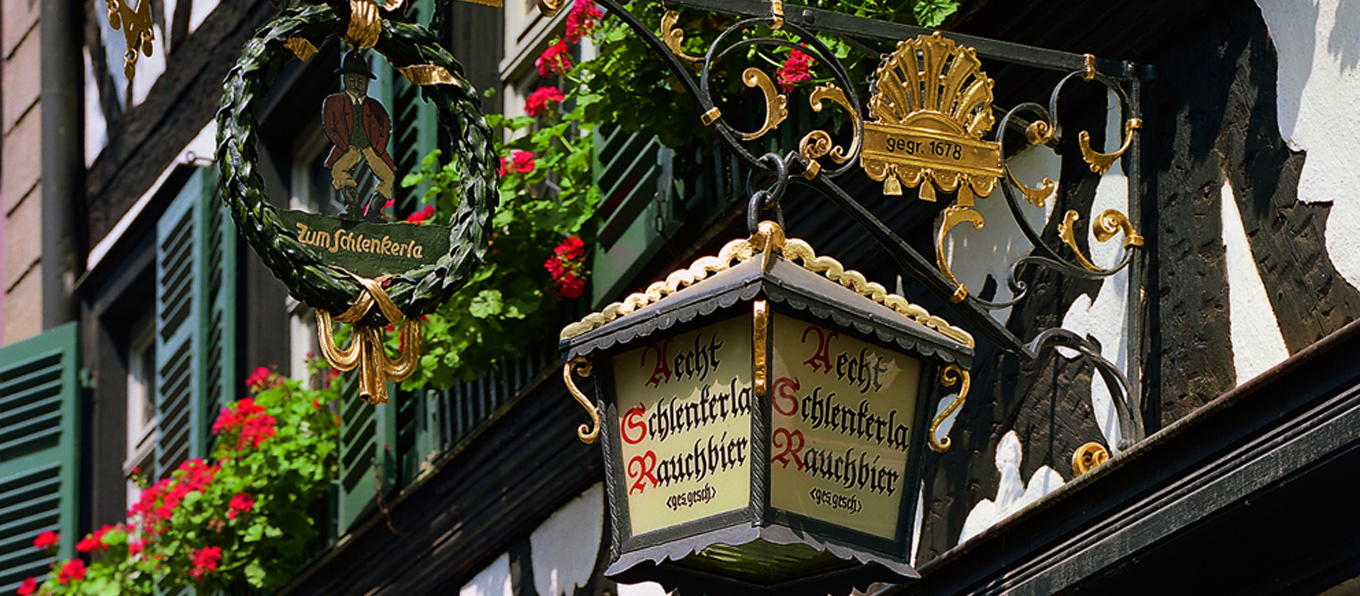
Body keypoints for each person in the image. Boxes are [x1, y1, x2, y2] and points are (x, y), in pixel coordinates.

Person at [323, 51, 397, 221]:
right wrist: (343, 145)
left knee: (387, 176)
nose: (356, 85)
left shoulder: (374, 106)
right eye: (352, 80)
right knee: (339, 170)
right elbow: (330, 126)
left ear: (367, 83)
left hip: (371, 147)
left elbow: (385, 125)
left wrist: (379, 147)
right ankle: (354, 207)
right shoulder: (334, 102)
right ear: (345, 80)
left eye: (361, 81)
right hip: (348, 147)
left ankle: (373, 212)